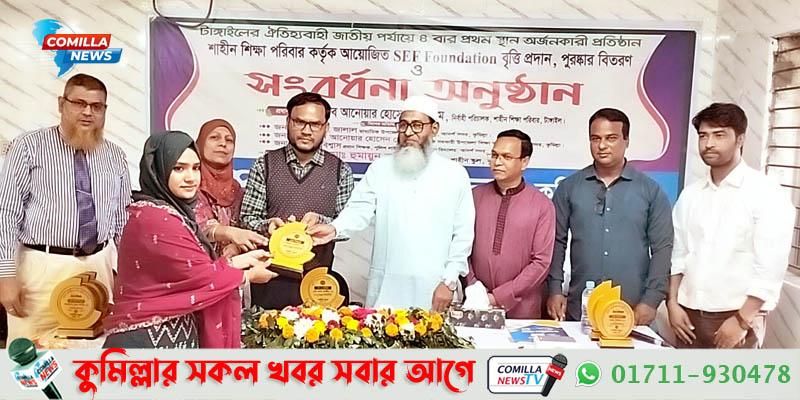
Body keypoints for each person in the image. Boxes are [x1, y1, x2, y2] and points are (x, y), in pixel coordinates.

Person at [103, 131, 277, 349]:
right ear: (158, 170)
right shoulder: (156, 219)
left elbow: (190, 271)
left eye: (196, 168)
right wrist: (248, 276)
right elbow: (201, 277)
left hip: (174, 336)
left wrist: (243, 260)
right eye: (179, 168)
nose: (190, 177)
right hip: (147, 340)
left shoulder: (168, 212)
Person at [307, 95, 475, 312]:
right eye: (403, 125)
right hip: (387, 287)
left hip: (433, 287)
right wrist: (334, 228)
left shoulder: (454, 174)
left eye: (417, 125)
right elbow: (359, 209)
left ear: (434, 129)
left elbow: (463, 234)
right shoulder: (380, 169)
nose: (408, 132)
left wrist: (450, 280)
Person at [0, 73, 131, 342]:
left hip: (98, 268)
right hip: (39, 270)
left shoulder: (115, 155)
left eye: (96, 106)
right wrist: (6, 274)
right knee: (32, 353)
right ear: (62, 104)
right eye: (79, 103)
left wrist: (126, 273)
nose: (87, 112)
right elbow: (7, 212)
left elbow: (122, 221)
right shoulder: (29, 147)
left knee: (90, 356)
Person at [667, 103, 794, 348]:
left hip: (736, 318)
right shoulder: (691, 195)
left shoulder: (766, 192)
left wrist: (742, 320)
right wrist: (672, 302)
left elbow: (770, 266)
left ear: (740, 139)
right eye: (703, 136)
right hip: (687, 318)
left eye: (719, 135)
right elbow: (678, 254)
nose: (708, 143)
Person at [546, 108, 673, 324]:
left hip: (632, 310)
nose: (602, 146)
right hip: (581, 309)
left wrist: (651, 300)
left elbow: (662, 248)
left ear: (626, 140)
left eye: (611, 138)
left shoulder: (650, 191)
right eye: (595, 139)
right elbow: (556, 242)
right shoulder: (569, 187)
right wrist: (555, 289)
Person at [240, 92, 353, 310]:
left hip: (318, 283)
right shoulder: (265, 165)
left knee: (317, 331)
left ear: (326, 128)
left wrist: (322, 222)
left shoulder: (340, 170)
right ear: (288, 122)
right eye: (299, 122)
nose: (306, 130)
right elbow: (247, 218)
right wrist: (269, 226)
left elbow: (347, 226)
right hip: (269, 278)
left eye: (315, 124)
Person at [466, 129, 555, 318]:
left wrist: (497, 297)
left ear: (524, 162)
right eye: (494, 155)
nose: (497, 162)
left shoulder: (542, 205)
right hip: (476, 303)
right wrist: (474, 287)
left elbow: (541, 263)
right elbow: (462, 246)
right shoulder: (474, 197)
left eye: (506, 157)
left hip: (522, 309)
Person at [194, 119, 268, 258]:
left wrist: (238, 246)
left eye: (229, 140)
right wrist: (228, 233)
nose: (223, 143)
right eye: (214, 137)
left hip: (235, 267)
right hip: (195, 264)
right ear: (200, 144)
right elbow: (192, 226)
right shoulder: (188, 183)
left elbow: (247, 226)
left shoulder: (238, 190)